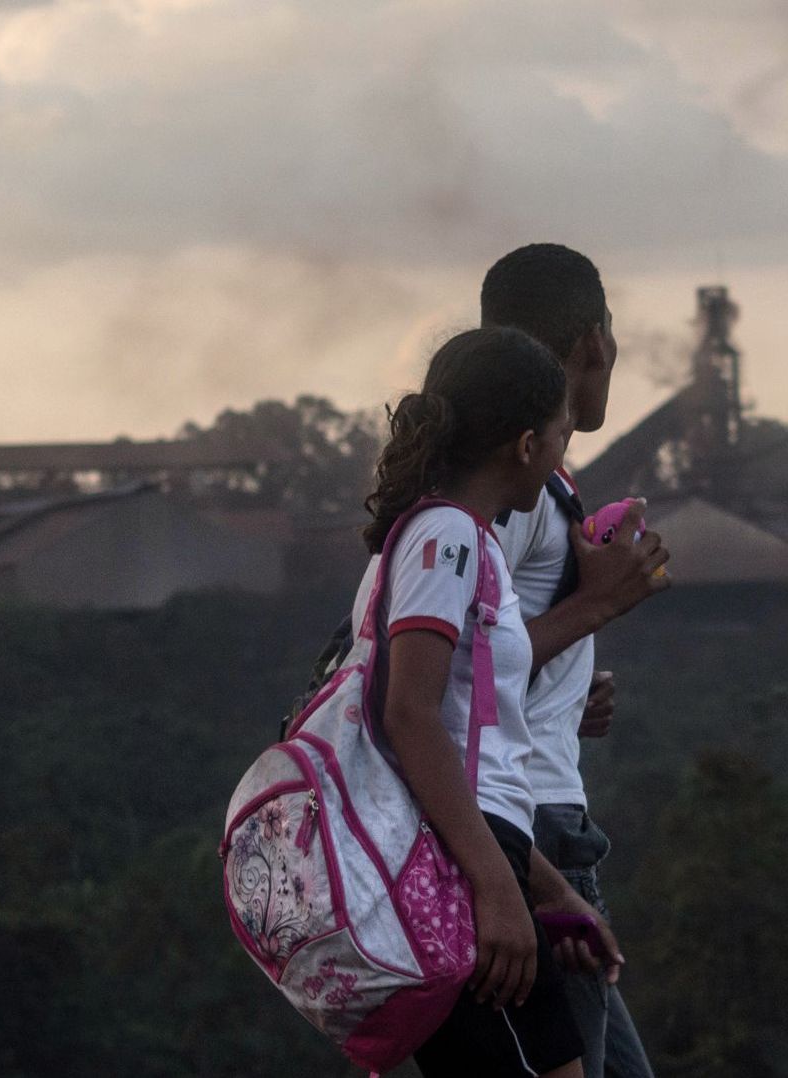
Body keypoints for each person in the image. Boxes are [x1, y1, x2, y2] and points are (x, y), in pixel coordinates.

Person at [356, 326, 591, 1077]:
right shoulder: (446, 538)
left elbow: (471, 733)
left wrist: (548, 893)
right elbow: (411, 715)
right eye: (561, 436)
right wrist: (494, 887)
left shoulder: (471, 541)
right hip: (459, 869)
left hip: (484, 856)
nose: (563, 453)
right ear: (526, 445)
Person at [481, 243, 669, 1077]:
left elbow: (494, 659)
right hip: (536, 829)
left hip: (543, 816)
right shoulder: (510, 488)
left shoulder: (537, 483)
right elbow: (449, 673)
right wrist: (602, 602)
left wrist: (560, 697)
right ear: (595, 343)